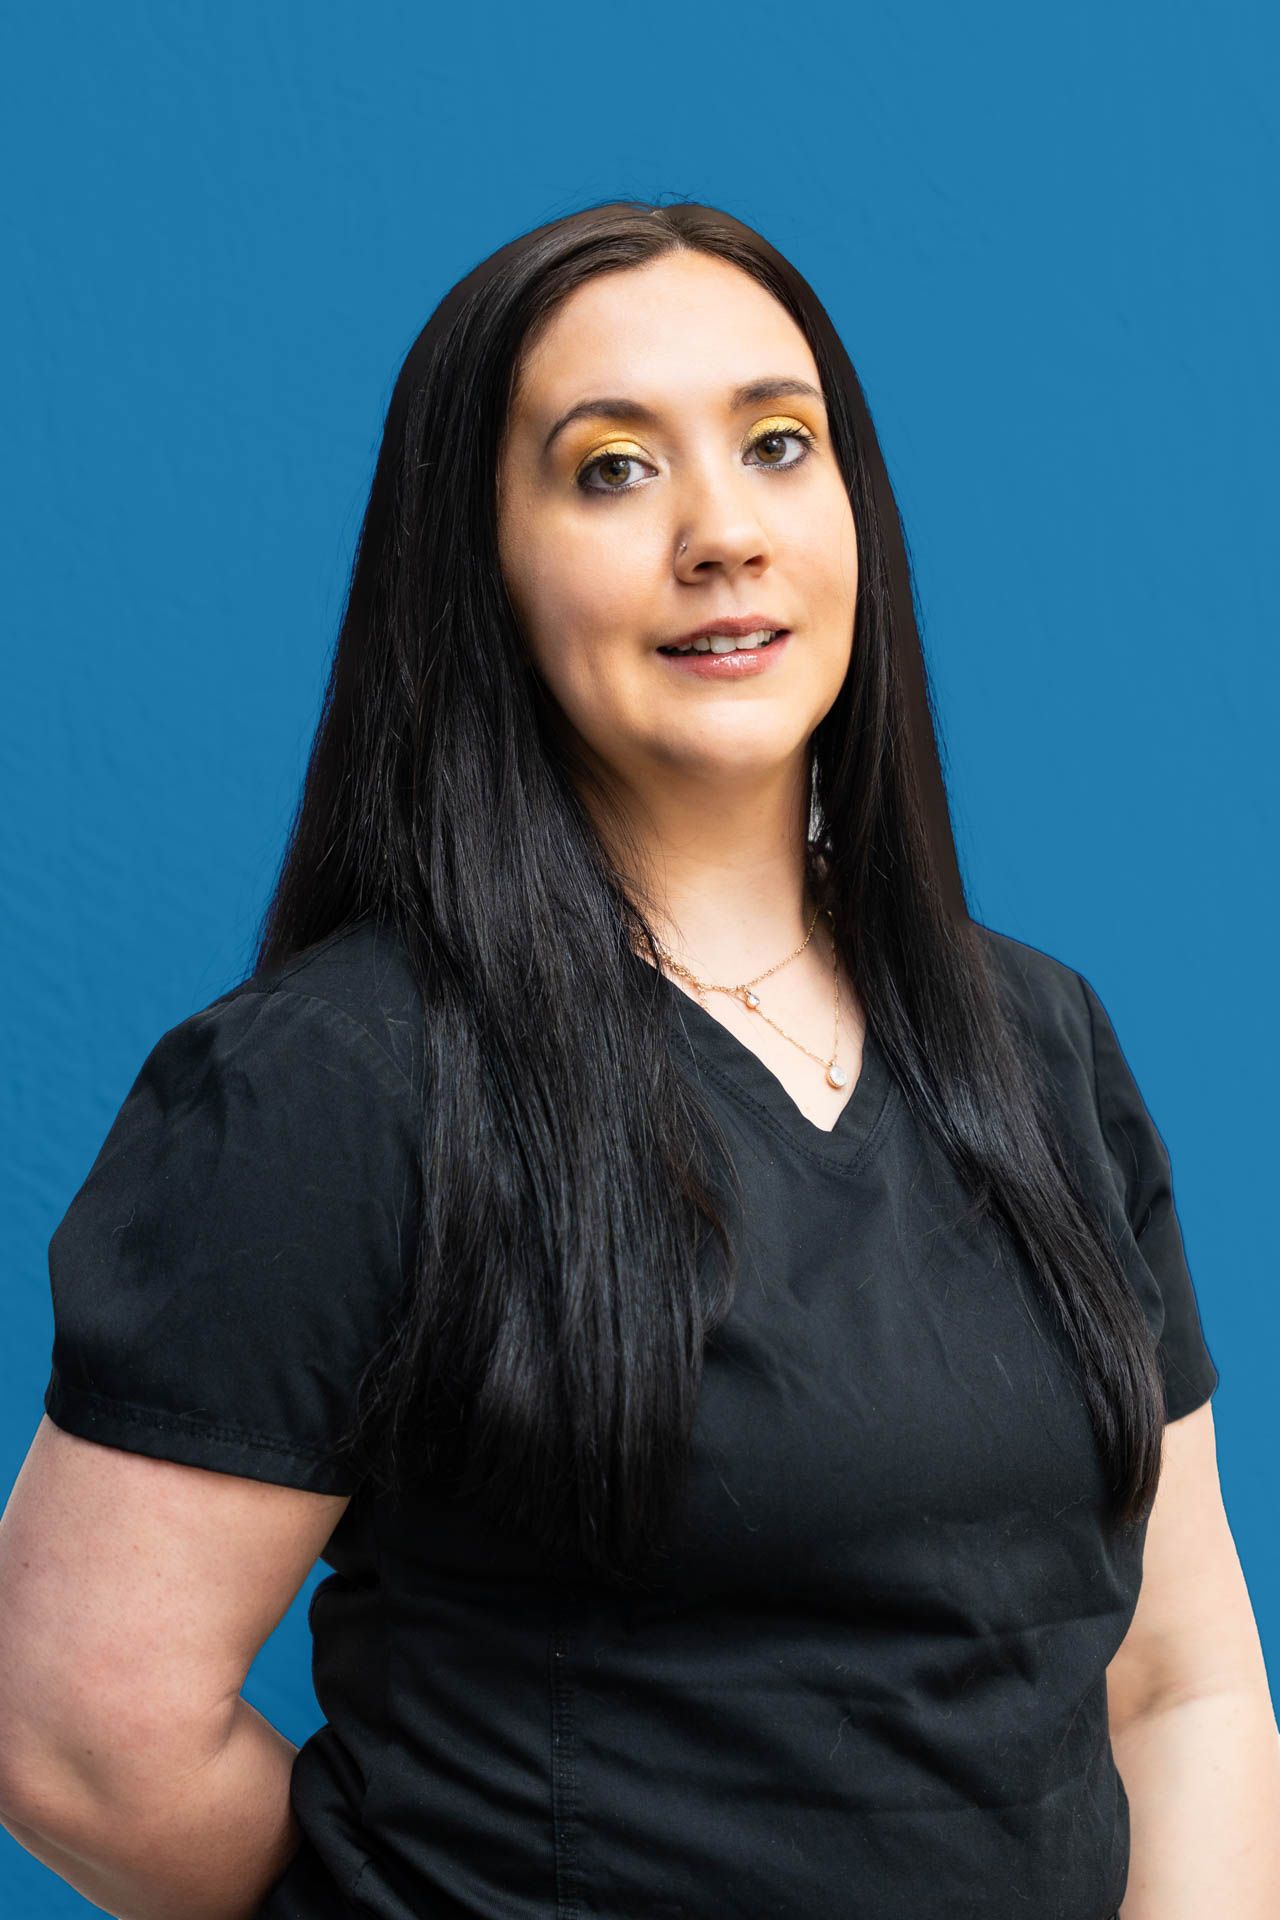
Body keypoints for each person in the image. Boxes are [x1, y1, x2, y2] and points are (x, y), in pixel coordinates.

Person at [0, 199, 1252, 1920]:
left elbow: (1179, 1683)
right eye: (609, 470)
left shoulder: (1040, 1045)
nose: (722, 531)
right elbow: (81, 1739)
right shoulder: (336, 1087)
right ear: (480, 565)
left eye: (777, 443)